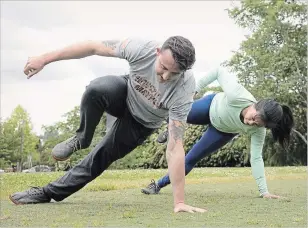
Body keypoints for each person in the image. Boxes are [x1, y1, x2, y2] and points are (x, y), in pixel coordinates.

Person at [9, 36, 206, 213]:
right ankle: (82, 137)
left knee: (100, 156)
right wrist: (44, 58)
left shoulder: (184, 90)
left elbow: (175, 147)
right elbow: (93, 46)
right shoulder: (141, 49)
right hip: (125, 94)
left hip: (141, 124)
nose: (165, 77)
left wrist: (179, 201)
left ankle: (47, 193)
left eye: (173, 74)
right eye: (163, 67)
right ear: (157, 53)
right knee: (97, 88)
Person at [141, 66, 294, 199]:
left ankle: (157, 185)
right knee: (176, 112)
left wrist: (264, 191)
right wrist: (194, 90)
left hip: (222, 131)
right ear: (256, 105)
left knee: (190, 159)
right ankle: (171, 129)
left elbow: (256, 158)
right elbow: (217, 71)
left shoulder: (258, 131)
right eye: (253, 117)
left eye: (256, 124)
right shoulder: (237, 95)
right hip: (210, 106)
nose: (250, 122)